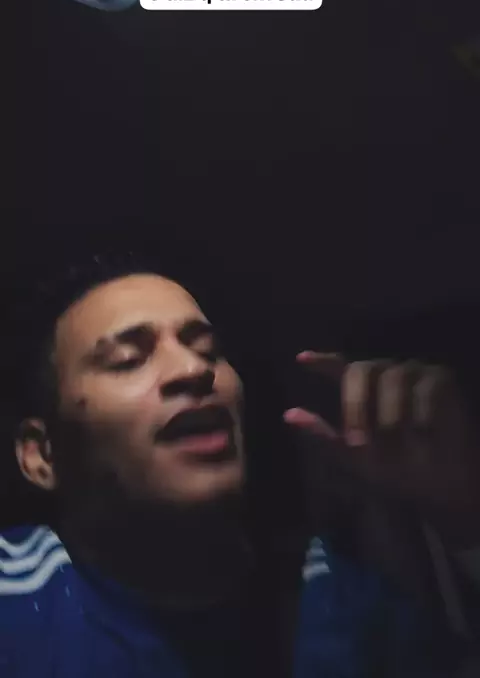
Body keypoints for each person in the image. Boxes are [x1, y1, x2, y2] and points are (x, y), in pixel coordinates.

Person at [0, 252, 478, 676]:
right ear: (42, 455)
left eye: (208, 350)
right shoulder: (17, 601)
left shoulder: (342, 602)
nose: (194, 369)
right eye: (128, 359)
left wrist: (465, 514)